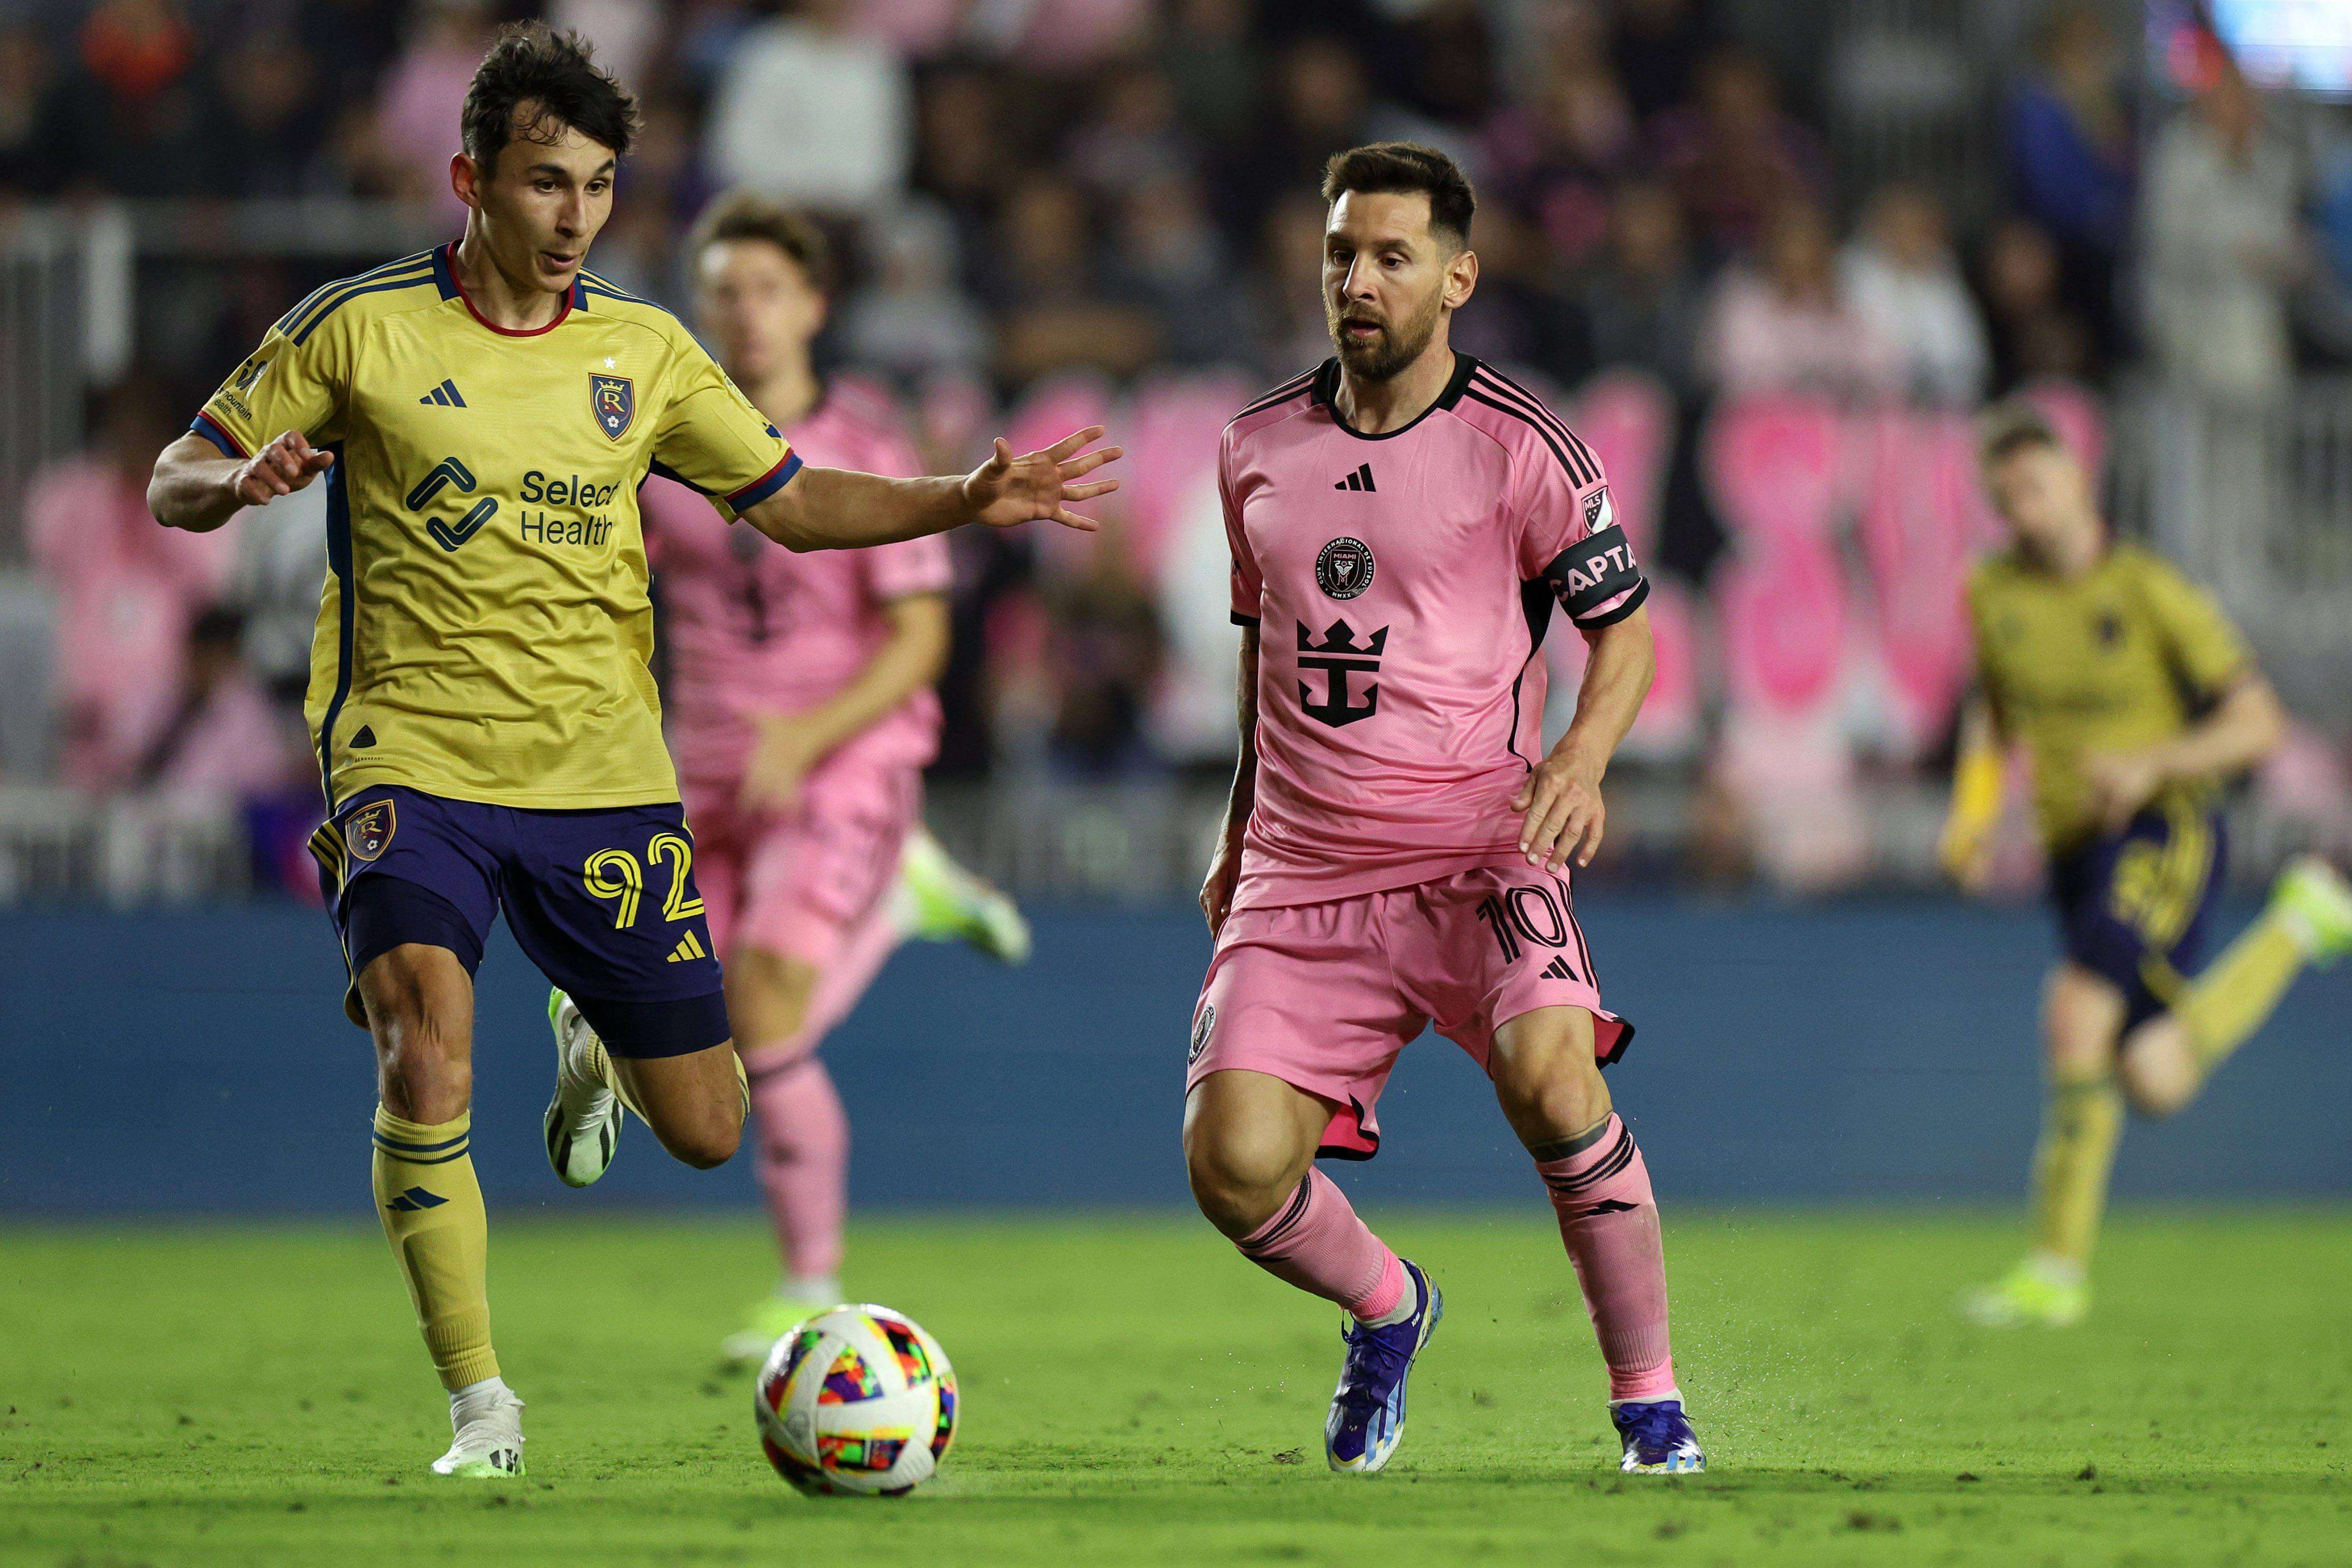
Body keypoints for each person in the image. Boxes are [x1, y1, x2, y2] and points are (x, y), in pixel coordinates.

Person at [145, 25, 1116, 1479]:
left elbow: (793, 501)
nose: (576, 216)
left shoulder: (645, 351)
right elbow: (172, 477)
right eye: (547, 182)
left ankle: (592, 1035)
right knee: (421, 1041)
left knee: (710, 1125)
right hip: (409, 747)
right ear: (471, 179)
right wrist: (240, 479)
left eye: (598, 186)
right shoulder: (356, 327)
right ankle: (482, 1405)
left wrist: (960, 498)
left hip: (600, 773)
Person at [1187, 142, 1702, 1477]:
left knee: (1554, 1079)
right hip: (1302, 864)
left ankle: (1650, 1408)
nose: (1357, 281)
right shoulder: (1254, 446)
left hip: (1478, 844)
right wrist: (1237, 828)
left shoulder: (1520, 447)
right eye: (1339, 255)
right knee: (1230, 1164)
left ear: (1457, 278)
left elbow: (1625, 630)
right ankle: (1386, 1305)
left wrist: (1580, 758)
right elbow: (1261, 649)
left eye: (1391, 257)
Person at [636, 191, 1030, 1364]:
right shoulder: (660, 443)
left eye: (767, 289)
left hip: (841, 757)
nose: (744, 313)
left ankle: (808, 1286)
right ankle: (904, 894)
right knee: (680, 1028)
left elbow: (921, 637)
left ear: (812, 306)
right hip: (706, 770)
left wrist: (806, 736)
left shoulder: (867, 442)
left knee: (766, 1008)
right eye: (723, 292)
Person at [1942, 403, 2352, 1327]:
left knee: (2074, 1009)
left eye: (2035, 485)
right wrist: (1972, 813)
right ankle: (2300, 923)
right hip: (2073, 853)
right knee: (2154, 1075)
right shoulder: (1991, 591)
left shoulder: (2149, 589)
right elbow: (1992, 712)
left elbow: (2258, 724)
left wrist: (2150, 764)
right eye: (2005, 495)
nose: (2022, 509)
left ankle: (2053, 1271)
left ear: (2079, 479)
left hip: (2161, 830)